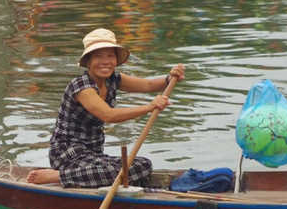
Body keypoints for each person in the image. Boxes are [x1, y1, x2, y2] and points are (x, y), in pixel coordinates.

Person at [27, 28, 186, 188]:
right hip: (68, 153)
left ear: (116, 60)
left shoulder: (113, 79)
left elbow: (148, 85)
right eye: (98, 56)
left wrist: (169, 78)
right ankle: (58, 176)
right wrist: (149, 107)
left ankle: (79, 178)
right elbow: (108, 115)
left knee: (143, 165)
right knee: (115, 172)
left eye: (110, 56)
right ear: (88, 61)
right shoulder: (81, 86)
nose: (105, 61)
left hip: (93, 155)